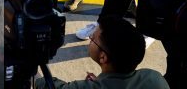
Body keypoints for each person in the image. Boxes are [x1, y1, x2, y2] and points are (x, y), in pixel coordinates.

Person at [35, 16, 169, 89]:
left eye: (92, 38)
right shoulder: (154, 78)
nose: (90, 39)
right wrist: (102, 82)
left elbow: (43, 84)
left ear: (103, 57)